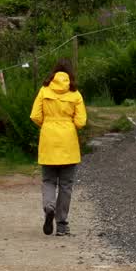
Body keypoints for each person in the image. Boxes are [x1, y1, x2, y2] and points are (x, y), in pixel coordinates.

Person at [30, 58, 87, 236]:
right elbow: (81, 121)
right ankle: (62, 225)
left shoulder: (44, 90)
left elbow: (35, 115)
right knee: (66, 185)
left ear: (53, 73)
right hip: (68, 142)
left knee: (48, 181)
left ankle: (49, 207)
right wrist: (68, 125)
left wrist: (47, 125)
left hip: (48, 140)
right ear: (70, 75)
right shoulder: (75, 94)